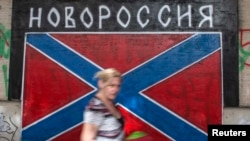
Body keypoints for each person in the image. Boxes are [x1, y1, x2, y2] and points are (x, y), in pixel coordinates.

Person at [80, 68, 125, 141]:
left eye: (118, 86)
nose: (115, 89)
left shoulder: (110, 102)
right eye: (111, 85)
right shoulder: (95, 108)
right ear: (101, 83)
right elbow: (87, 139)